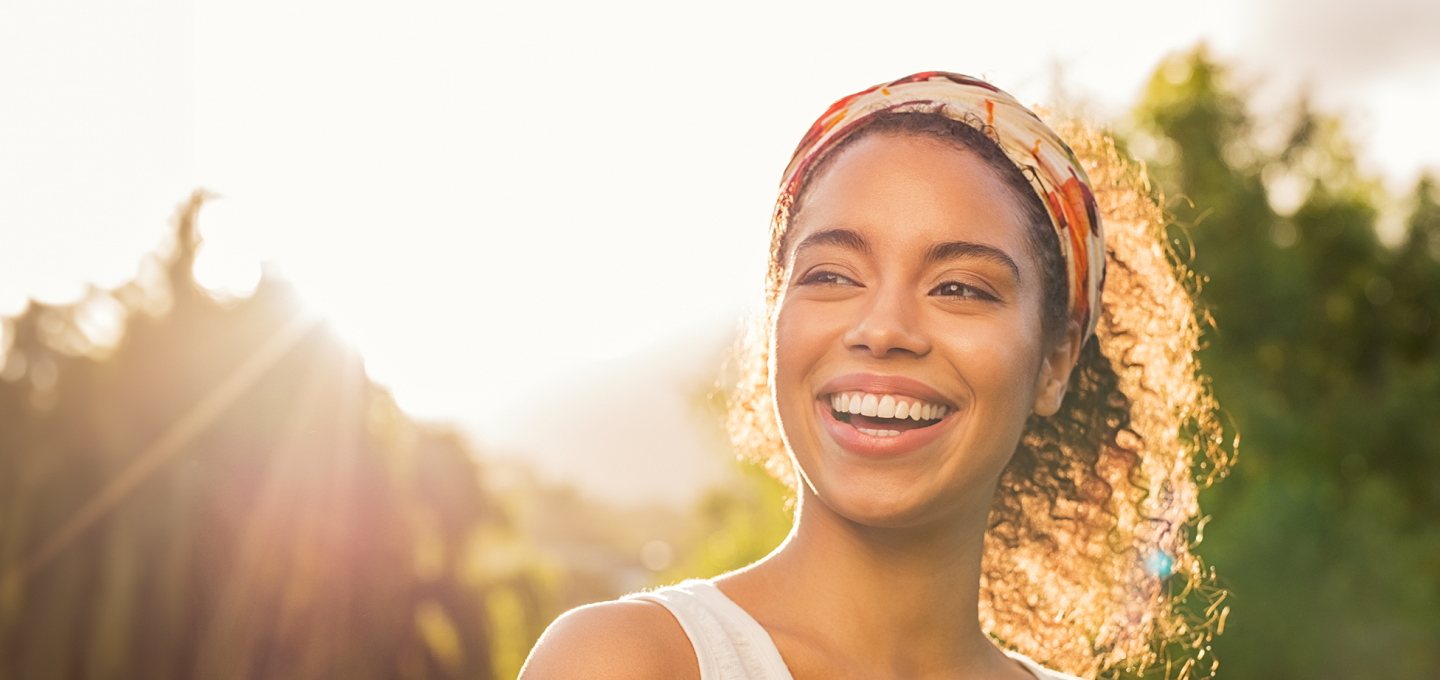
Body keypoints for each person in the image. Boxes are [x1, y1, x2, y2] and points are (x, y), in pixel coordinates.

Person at [520, 72, 1229, 680]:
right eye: (831, 275)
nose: (883, 329)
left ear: (1055, 362)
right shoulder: (631, 663)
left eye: (959, 288)